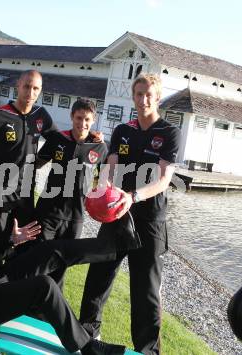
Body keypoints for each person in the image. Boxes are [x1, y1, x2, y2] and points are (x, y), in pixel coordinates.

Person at [0, 179, 140, 354]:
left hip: (1, 277)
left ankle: (115, 246)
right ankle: (88, 346)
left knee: (49, 250)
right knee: (45, 286)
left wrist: (11, 240)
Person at [79, 73, 182, 355]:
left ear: (157, 97)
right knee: (98, 277)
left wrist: (132, 196)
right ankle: (86, 338)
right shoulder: (123, 131)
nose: (143, 99)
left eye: (149, 94)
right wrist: (103, 190)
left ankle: (147, 351)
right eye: (138, 94)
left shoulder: (169, 133)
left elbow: (163, 179)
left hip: (150, 222)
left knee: (145, 293)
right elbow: (109, 169)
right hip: (117, 217)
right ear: (133, 96)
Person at [0, 70, 58, 258]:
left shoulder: (41, 115)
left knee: (21, 248)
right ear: (17, 86)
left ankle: (10, 285)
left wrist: (38, 163)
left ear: (40, 91)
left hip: (25, 195)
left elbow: (57, 141)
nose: (30, 92)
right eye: (27, 86)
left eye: (36, 88)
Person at [35, 98, 108, 288]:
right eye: (78, 118)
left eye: (87, 119)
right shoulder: (58, 139)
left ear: (93, 120)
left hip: (75, 216)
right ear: (71, 116)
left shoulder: (99, 147)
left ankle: (51, 307)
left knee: (61, 265)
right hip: (48, 212)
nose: (82, 124)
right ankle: (30, 303)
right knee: (40, 260)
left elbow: (105, 180)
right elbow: (35, 164)